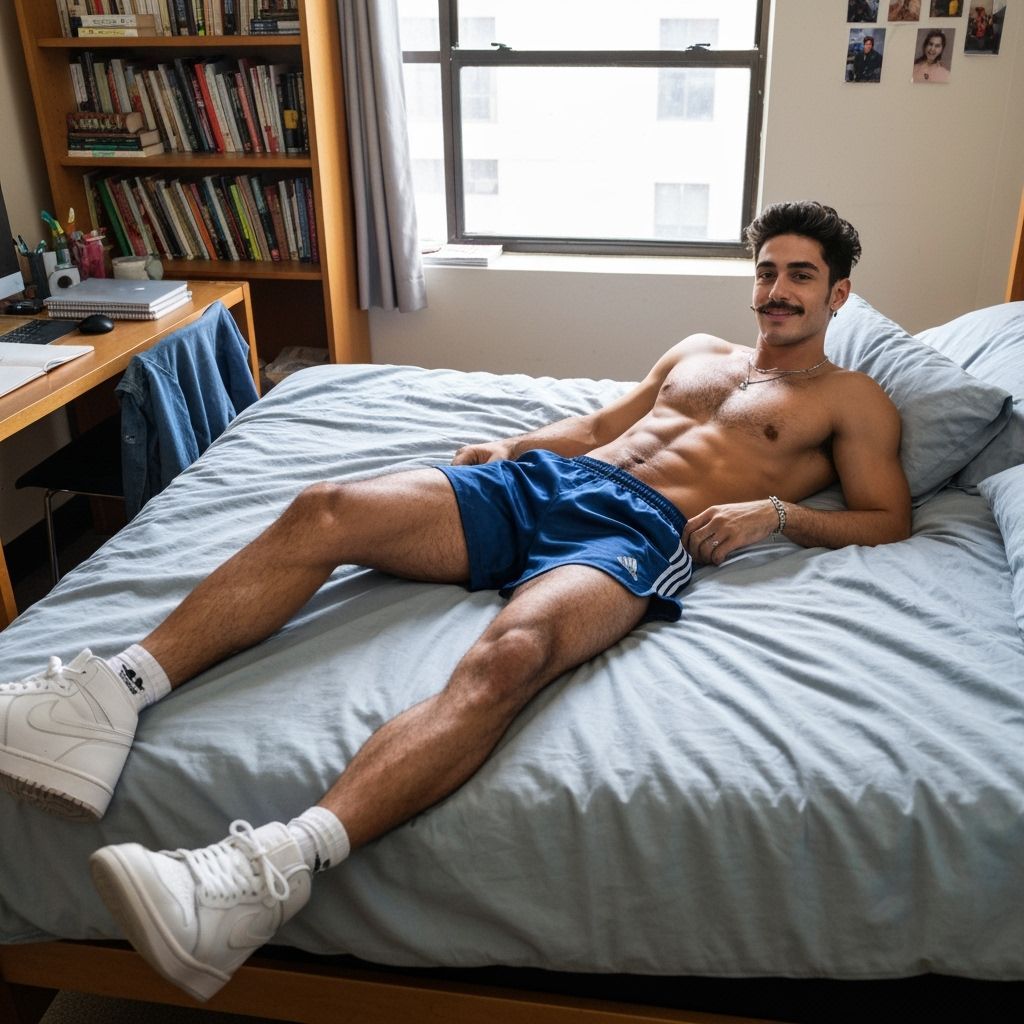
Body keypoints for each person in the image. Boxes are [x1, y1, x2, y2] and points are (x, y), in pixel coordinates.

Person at [0, 201, 912, 1003]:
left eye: (802, 275)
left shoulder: (851, 399)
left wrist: (778, 513)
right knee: (326, 508)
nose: (778, 289)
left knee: (513, 656)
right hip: (547, 482)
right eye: (767, 271)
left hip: (631, 536)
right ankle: (108, 694)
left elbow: (887, 519)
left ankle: (271, 871)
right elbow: (601, 427)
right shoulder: (699, 354)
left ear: (837, 295)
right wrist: (511, 444)